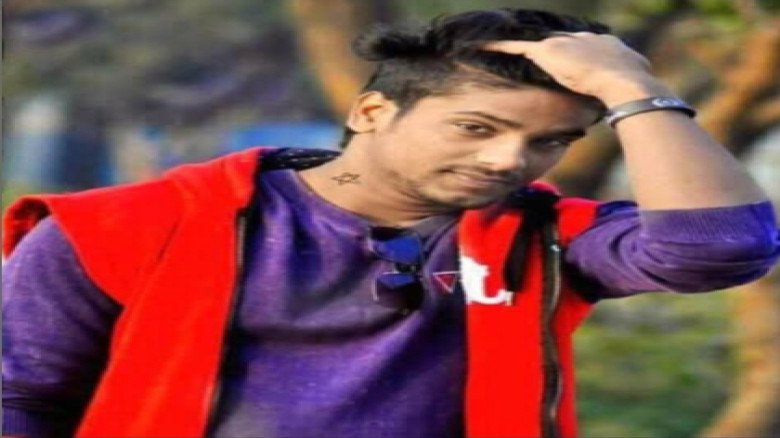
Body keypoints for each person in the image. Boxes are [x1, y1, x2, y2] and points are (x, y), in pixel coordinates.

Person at [2, 8, 779, 438]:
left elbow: (719, 249)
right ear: (371, 110)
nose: (510, 159)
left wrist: (633, 91)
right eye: (476, 127)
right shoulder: (126, 227)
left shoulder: (545, 237)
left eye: (550, 141)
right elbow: (20, 399)